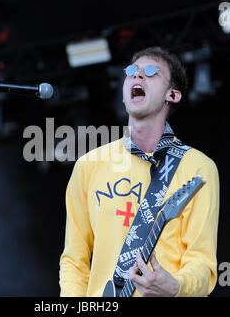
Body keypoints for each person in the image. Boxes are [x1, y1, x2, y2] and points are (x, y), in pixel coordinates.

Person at [59, 46, 220, 297]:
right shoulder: (88, 165)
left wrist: (176, 286)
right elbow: (74, 261)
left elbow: (202, 262)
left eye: (151, 72)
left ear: (173, 95)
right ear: (123, 94)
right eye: (132, 71)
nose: (137, 76)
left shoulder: (198, 167)